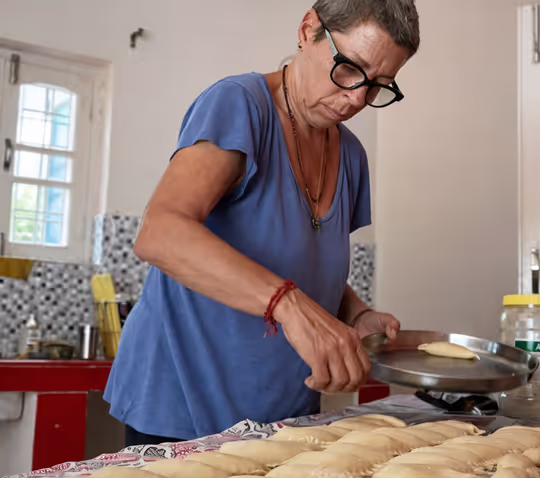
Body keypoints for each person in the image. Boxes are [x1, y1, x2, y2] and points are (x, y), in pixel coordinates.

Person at [103, 0, 420, 446]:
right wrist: (289, 305)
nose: (357, 98)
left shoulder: (351, 156)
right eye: (350, 68)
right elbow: (160, 233)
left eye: (379, 86)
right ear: (308, 30)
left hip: (284, 416)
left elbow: (305, 262)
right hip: (183, 406)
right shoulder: (239, 105)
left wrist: (357, 314)